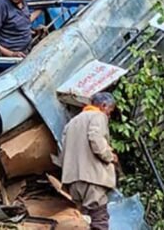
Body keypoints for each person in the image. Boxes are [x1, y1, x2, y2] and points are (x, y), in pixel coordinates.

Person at [60, 92, 118, 230]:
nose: (109, 115)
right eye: (110, 111)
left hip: (72, 180)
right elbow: (96, 139)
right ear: (104, 106)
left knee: (83, 221)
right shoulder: (98, 116)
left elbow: (63, 149)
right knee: (99, 219)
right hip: (92, 179)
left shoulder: (72, 122)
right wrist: (110, 156)